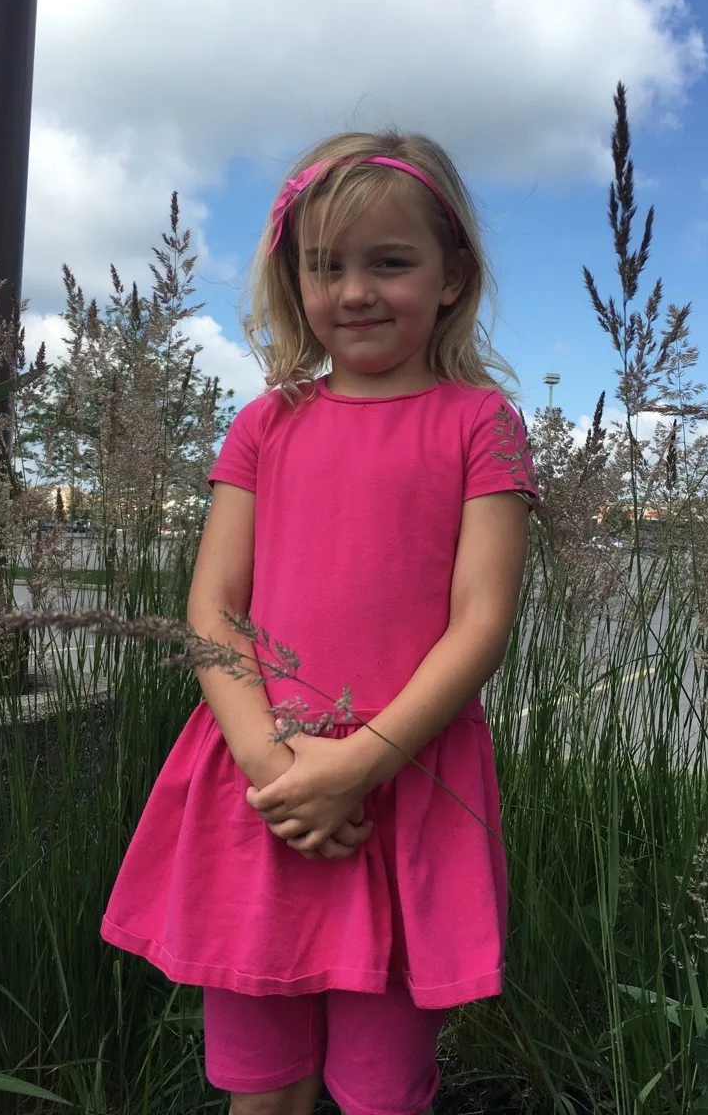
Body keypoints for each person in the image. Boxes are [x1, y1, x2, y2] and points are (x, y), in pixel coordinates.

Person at [99, 130, 540, 1115]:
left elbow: (481, 621)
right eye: (324, 265)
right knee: (263, 1088)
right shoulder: (265, 422)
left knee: (384, 1091)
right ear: (292, 277)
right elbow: (213, 608)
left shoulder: (482, 423)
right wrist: (275, 764)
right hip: (263, 792)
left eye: (390, 261)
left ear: (452, 273)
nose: (355, 291)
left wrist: (359, 761)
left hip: (405, 785)